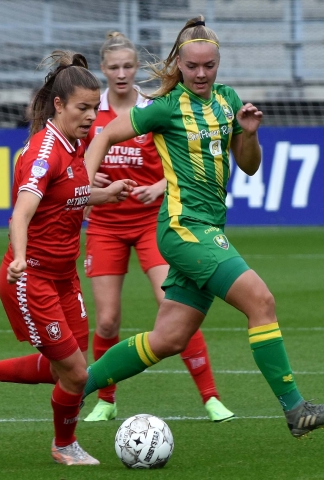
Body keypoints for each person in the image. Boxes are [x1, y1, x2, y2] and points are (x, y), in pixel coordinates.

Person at [80, 16, 324, 439]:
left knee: (168, 339)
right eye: (192, 67)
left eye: (209, 66)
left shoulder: (227, 100)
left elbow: (250, 166)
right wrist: (83, 183)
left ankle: (76, 385)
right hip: (185, 229)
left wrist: (250, 134)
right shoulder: (164, 107)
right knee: (261, 301)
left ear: (219, 63)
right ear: (178, 65)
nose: (201, 74)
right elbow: (105, 135)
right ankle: (296, 410)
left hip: (206, 228)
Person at [0, 50, 134, 466]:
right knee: (75, 373)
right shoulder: (43, 153)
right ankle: (63, 445)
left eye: (95, 108)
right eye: (83, 109)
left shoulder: (76, 143)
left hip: (64, 276)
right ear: (59, 105)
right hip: (29, 278)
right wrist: (18, 257)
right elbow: (22, 212)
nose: (91, 117)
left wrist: (103, 194)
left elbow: (67, 198)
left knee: (67, 369)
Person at [82, 31, 235, 423]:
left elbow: (185, 164)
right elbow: (75, 159)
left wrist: (157, 186)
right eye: (113, 67)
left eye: (127, 66)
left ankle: (210, 397)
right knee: (107, 320)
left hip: (154, 221)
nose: (121, 73)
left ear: (136, 69)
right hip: (105, 226)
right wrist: (89, 182)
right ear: (103, 69)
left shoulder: (158, 106)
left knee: (174, 308)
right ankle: (106, 399)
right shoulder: (91, 113)